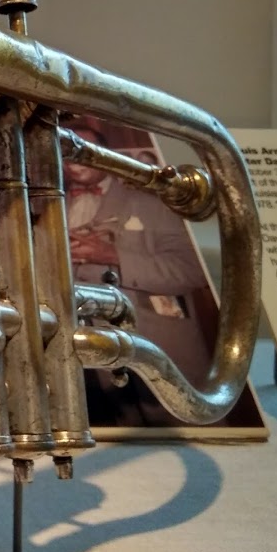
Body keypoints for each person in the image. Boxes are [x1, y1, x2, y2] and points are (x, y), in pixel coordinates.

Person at [64, 119, 211, 425]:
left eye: (85, 150)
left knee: (181, 430)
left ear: (105, 155)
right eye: (64, 151)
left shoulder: (152, 204)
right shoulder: (46, 207)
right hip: (86, 355)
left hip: (155, 344)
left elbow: (192, 270)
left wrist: (112, 255)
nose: (74, 160)